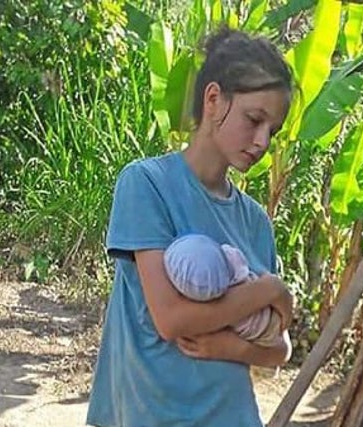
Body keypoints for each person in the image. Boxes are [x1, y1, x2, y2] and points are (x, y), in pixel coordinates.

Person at [86, 28, 295, 427]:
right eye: (254, 119)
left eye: (274, 130)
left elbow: (278, 347)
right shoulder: (146, 184)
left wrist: (228, 346)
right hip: (152, 415)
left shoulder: (254, 221)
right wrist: (270, 290)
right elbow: (172, 319)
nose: (263, 140)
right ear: (214, 99)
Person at [163, 233, 284, 347]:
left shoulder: (206, 305)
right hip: (270, 322)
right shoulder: (233, 269)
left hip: (258, 332)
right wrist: (272, 289)